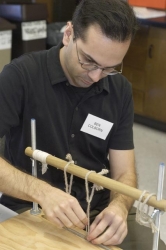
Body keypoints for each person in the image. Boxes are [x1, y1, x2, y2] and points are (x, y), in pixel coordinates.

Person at [0, 0, 165, 248]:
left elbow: (124, 172)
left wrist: (119, 207)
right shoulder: (21, 76)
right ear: (68, 34)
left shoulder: (119, 91)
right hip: (32, 205)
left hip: (98, 212)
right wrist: (42, 192)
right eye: (88, 61)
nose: (96, 76)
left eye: (109, 68)